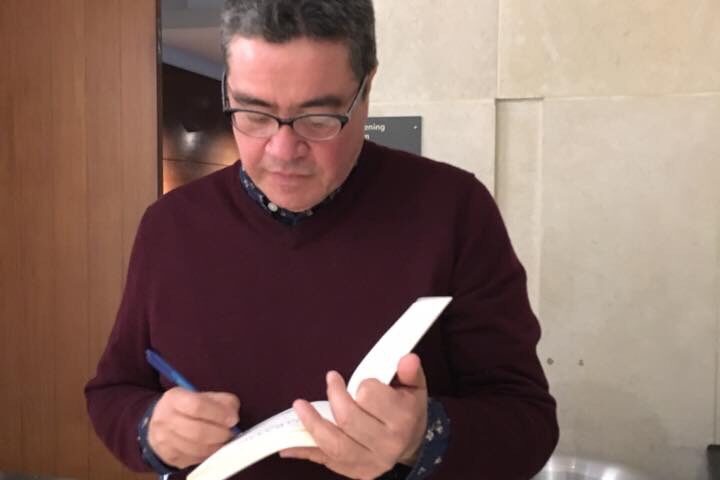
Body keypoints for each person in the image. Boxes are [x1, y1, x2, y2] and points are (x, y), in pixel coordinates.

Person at [85, 1, 559, 479]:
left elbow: (529, 423)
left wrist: (421, 437)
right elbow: (112, 393)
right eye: (254, 113)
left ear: (366, 90)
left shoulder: (453, 211)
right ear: (228, 89)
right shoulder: (170, 227)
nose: (282, 150)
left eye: (317, 118)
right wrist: (150, 429)